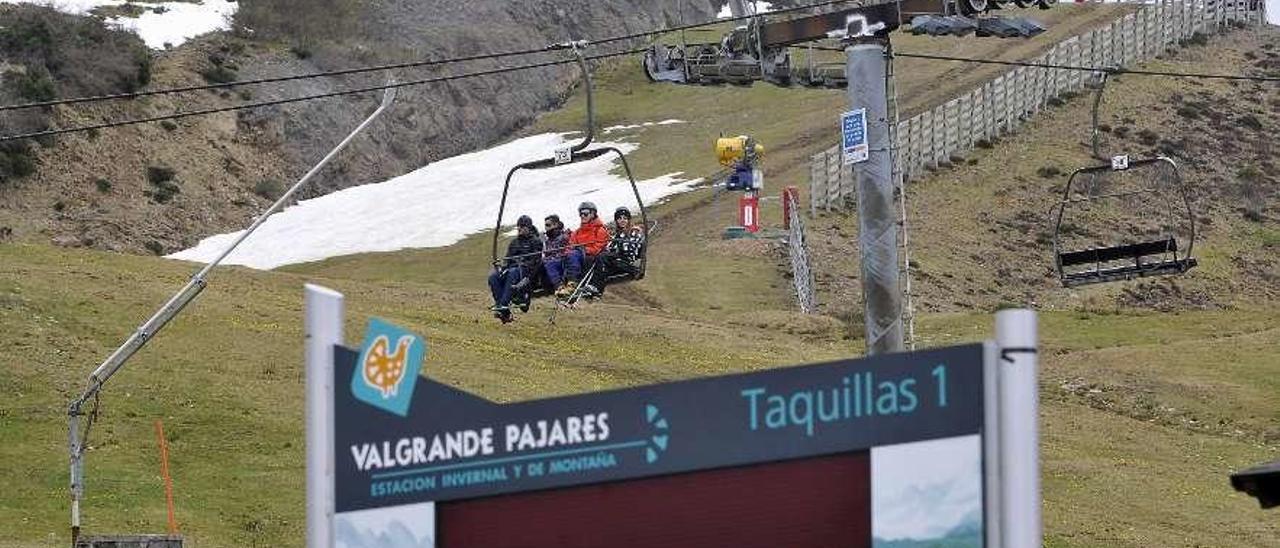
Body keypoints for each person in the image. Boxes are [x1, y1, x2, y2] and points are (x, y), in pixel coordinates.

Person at [488, 215, 542, 323]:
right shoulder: (514, 243)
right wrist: (502, 267)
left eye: (522, 226)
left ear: (529, 227)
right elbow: (508, 259)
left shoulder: (536, 241)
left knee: (512, 273)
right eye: (519, 226)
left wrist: (521, 264)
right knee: (493, 277)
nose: (520, 228)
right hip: (512, 268)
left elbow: (536, 261)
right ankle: (503, 309)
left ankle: (503, 304)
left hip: (525, 271)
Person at [587, 206, 646, 297]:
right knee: (597, 263)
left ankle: (596, 288)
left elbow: (631, 250)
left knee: (603, 257)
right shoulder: (616, 235)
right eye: (619, 218)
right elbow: (610, 248)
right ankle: (593, 292)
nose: (622, 220)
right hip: (615, 261)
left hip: (625, 261)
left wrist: (618, 246)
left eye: (625, 218)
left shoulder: (633, 232)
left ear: (628, 220)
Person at [559, 201, 610, 299]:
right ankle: (564, 285)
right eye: (580, 214)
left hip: (591, 257)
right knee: (566, 257)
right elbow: (569, 246)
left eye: (585, 213)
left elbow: (597, 248)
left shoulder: (600, 230)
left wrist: (581, 249)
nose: (583, 216)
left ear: (593, 214)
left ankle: (572, 284)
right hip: (578, 257)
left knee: (573, 254)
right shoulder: (577, 232)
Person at [541, 214, 572, 291]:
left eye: (548, 225)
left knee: (548, 262)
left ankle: (559, 286)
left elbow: (567, 251)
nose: (546, 228)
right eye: (545, 225)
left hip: (562, 262)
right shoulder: (548, 240)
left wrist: (548, 258)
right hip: (551, 261)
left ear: (556, 225)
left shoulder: (564, 237)